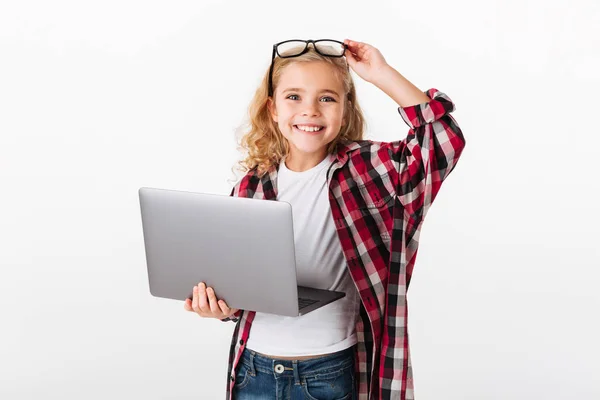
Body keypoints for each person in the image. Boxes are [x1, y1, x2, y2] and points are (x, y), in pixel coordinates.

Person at [184, 38, 466, 400]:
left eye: (327, 98)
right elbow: (244, 287)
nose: (310, 110)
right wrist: (222, 306)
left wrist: (381, 74)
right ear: (272, 109)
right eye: (294, 97)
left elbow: (442, 141)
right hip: (253, 369)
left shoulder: (368, 170)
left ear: (345, 110)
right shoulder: (252, 185)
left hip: (328, 373)